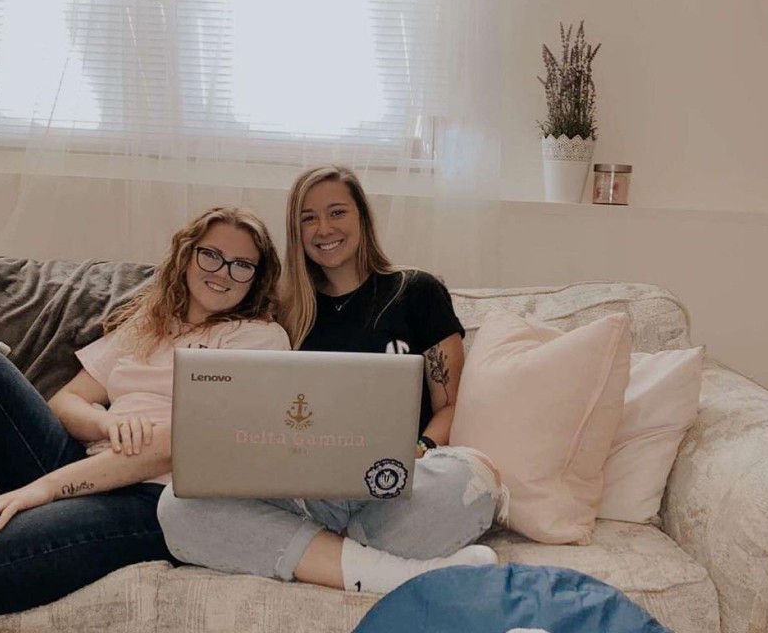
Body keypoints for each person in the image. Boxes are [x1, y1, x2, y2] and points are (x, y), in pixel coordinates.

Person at [0, 207, 290, 632]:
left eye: (242, 265)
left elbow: (179, 445)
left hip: (147, 500)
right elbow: (66, 401)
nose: (223, 272)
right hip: (83, 462)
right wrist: (105, 424)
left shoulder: (258, 339)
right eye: (211, 255)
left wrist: (44, 490)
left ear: (258, 277)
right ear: (187, 254)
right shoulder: (150, 322)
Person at [158, 166, 507, 595]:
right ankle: (382, 570)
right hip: (304, 492)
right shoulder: (283, 311)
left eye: (337, 212)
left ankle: (320, 558)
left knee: (473, 477)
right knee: (177, 505)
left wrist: (419, 451)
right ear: (296, 230)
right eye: (308, 218)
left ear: (361, 217)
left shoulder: (415, 291)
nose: (324, 228)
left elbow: (451, 404)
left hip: (390, 485)